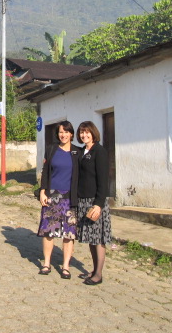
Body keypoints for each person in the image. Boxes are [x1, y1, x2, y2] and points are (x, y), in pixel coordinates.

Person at [36, 121, 81, 279]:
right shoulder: (51, 150)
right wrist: (43, 191)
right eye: (61, 132)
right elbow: (46, 172)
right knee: (49, 231)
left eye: (67, 132)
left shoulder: (77, 152)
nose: (64, 135)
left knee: (69, 234)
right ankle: (46, 263)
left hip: (70, 198)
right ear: (58, 134)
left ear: (71, 134)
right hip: (52, 196)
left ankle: (66, 266)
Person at [76, 120, 112, 286]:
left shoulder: (99, 151)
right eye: (82, 132)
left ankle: (98, 274)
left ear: (93, 133)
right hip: (83, 200)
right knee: (91, 237)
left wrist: (98, 203)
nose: (84, 135)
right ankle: (94, 269)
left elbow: (104, 180)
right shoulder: (82, 151)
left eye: (87, 132)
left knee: (98, 238)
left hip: (95, 201)